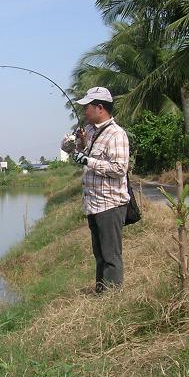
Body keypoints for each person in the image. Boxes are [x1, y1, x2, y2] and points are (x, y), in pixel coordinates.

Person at [61, 86, 130, 293]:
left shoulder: (116, 134)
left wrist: (88, 161)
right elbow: (72, 150)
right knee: (99, 254)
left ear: (100, 108)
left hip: (110, 204)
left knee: (111, 256)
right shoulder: (90, 131)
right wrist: (72, 143)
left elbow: (119, 169)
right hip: (93, 204)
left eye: (87, 107)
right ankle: (101, 293)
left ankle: (113, 297)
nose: (84, 111)